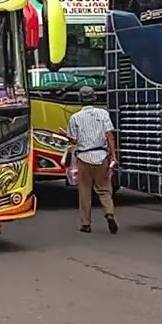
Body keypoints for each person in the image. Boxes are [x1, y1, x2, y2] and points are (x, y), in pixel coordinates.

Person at [63, 85, 118, 234]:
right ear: (94, 98)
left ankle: (85, 224)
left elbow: (74, 141)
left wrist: (66, 136)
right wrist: (113, 156)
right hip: (101, 156)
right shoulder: (103, 114)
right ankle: (109, 213)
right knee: (105, 189)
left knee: (85, 191)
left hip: (84, 158)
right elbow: (110, 135)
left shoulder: (75, 118)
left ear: (80, 100)